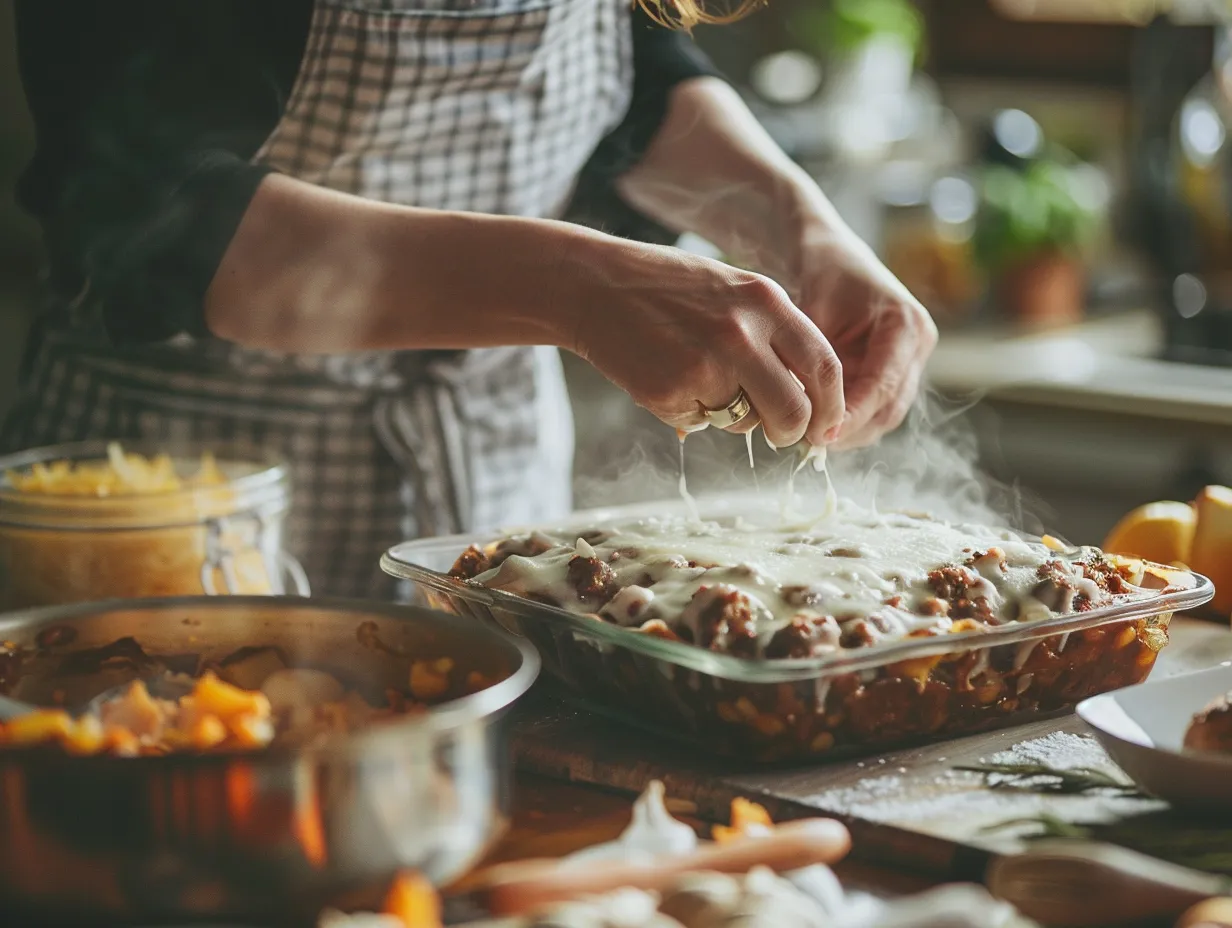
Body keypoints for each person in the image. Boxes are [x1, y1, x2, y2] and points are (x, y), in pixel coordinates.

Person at [5, 0, 937, 598]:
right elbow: (147, 222)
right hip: (175, 517)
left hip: (488, 481)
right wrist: (573, 287)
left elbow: (630, 76)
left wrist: (798, 225)